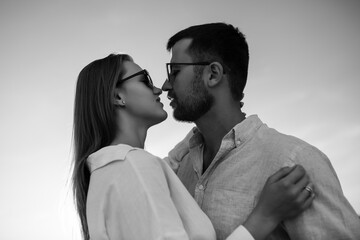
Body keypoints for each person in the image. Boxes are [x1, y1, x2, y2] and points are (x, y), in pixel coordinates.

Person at [72, 53, 315, 240]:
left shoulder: (110, 172)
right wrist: (264, 217)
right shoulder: (133, 166)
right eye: (145, 79)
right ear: (117, 97)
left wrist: (212, 122)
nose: (159, 88)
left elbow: (168, 165)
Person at [162, 22, 360, 239]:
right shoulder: (180, 169)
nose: (165, 85)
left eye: (175, 72)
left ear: (213, 74)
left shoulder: (292, 162)